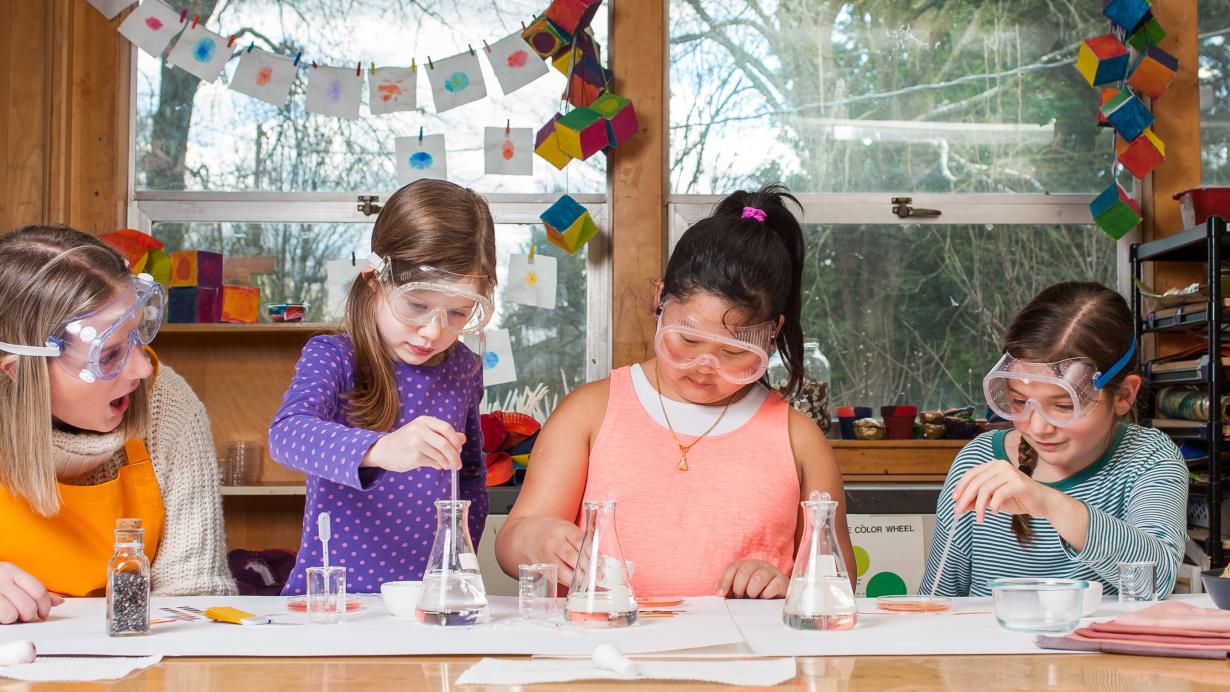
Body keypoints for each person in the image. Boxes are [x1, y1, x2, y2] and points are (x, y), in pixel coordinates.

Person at [497, 186, 854, 599]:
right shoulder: (590, 412)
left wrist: (788, 585)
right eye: (687, 340)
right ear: (660, 301)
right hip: (602, 653)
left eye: (734, 352)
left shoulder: (798, 440)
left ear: (771, 335)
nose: (704, 366)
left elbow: (839, 579)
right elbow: (510, 544)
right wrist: (537, 539)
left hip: (746, 657)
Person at [0, 225, 234, 624]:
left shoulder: (167, 404)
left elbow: (193, 596)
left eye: (138, 334)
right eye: (109, 355)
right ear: (18, 370)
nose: (143, 369)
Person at [269, 180, 494, 595]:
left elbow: (471, 478)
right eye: (417, 305)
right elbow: (285, 435)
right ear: (374, 280)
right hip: (333, 600)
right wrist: (380, 450)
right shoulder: (334, 356)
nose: (433, 331)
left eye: (458, 313)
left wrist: (459, 564)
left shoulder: (464, 367)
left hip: (428, 596)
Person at [921, 281, 1188, 597]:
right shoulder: (980, 461)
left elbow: (1154, 583)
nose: (1038, 426)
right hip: (991, 647)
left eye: (1063, 405)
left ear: (1125, 394)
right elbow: (936, 597)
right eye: (1020, 402)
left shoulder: (1149, 459)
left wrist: (1049, 503)